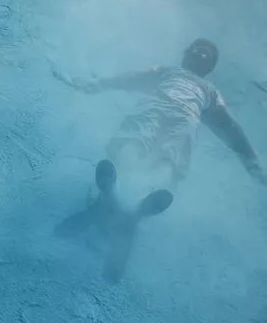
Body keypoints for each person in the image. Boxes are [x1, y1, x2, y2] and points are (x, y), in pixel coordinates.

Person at [52, 38, 267, 281]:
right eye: (197, 49)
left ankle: (139, 200)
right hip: (153, 106)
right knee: (133, 142)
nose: (200, 54)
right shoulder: (167, 71)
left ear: (210, 69)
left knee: (170, 159)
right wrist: (99, 84)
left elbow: (228, 126)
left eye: (207, 54)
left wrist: (250, 159)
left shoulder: (210, 92)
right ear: (185, 54)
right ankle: (115, 189)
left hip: (186, 118)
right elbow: (132, 78)